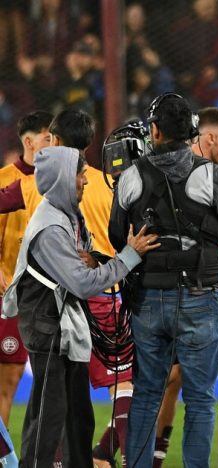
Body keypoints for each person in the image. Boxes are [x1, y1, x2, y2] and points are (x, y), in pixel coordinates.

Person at [109, 92, 218, 466]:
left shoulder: (129, 176)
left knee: (145, 395)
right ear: (193, 132)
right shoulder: (212, 175)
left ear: (154, 130)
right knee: (200, 398)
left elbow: (117, 237)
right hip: (198, 296)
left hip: (147, 299)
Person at [2, 146, 159, 466]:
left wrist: (99, 260)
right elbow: (83, 283)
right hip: (48, 328)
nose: (86, 181)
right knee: (50, 418)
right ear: (62, 178)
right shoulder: (51, 226)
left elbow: (82, 268)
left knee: (77, 416)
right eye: (80, 174)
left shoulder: (65, 215)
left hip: (60, 324)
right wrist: (130, 256)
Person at [44, 109, 135, 468]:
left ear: (54, 141)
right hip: (109, 296)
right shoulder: (110, 184)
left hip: (64, 302)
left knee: (59, 393)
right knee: (123, 388)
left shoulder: (44, 186)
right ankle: (128, 458)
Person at [0, 110, 53, 468]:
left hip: (44, 301)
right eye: (49, 139)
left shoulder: (59, 183)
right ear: (30, 142)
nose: (54, 146)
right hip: (9, 301)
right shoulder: (6, 182)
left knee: (20, 383)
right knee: (5, 382)